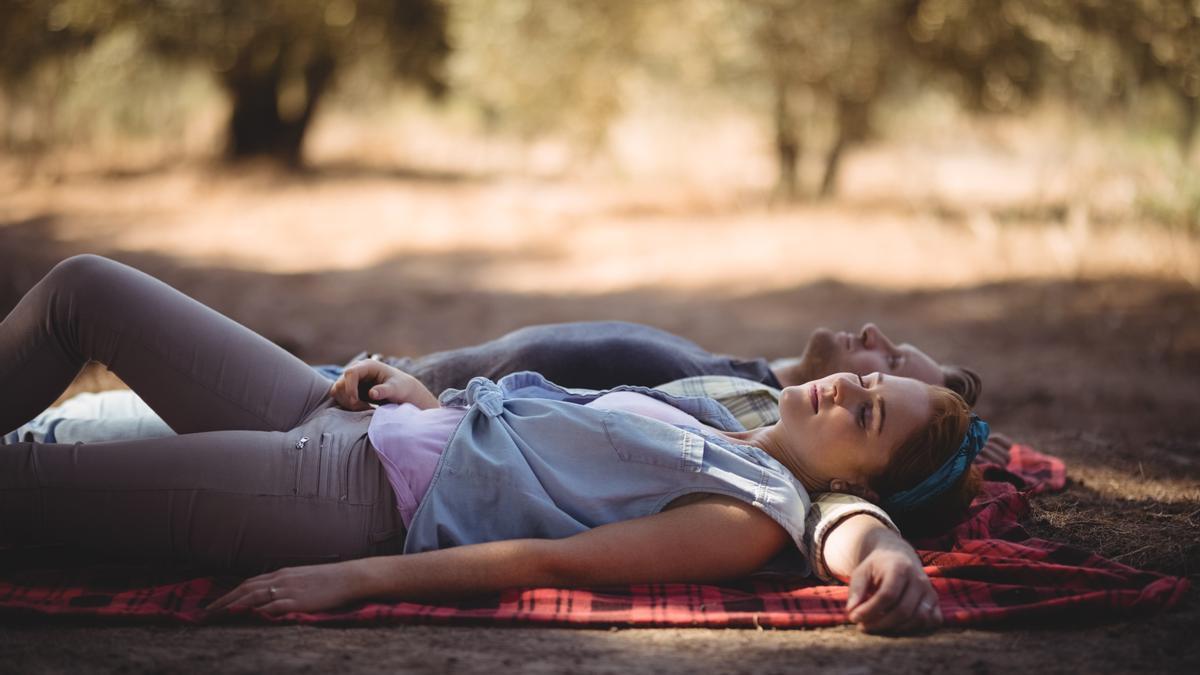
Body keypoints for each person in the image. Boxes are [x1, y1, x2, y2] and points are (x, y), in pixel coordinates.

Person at [0, 255, 987, 634]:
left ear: (864, 479)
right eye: (865, 380)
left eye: (868, 414)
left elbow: (548, 560)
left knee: (25, 483)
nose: (847, 385)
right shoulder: (727, 410)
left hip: (347, 493)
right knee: (84, 288)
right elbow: (530, 418)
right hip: (349, 407)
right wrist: (426, 389)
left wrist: (352, 580)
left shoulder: (746, 511)